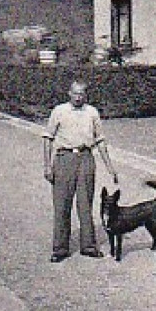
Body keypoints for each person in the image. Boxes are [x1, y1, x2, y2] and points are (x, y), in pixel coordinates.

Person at [43, 80, 120, 262]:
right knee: (62, 205)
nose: (78, 97)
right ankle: (60, 249)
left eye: (82, 94)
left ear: (85, 95)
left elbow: (100, 140)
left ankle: (89, 246)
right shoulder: (59, 111)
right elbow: (48, 138)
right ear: (69, 93)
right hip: (64, 159)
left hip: (86, 158)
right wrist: (47, 165)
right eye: (75, 93)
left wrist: (110, 167)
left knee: (86, 205)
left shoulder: (92, 112)